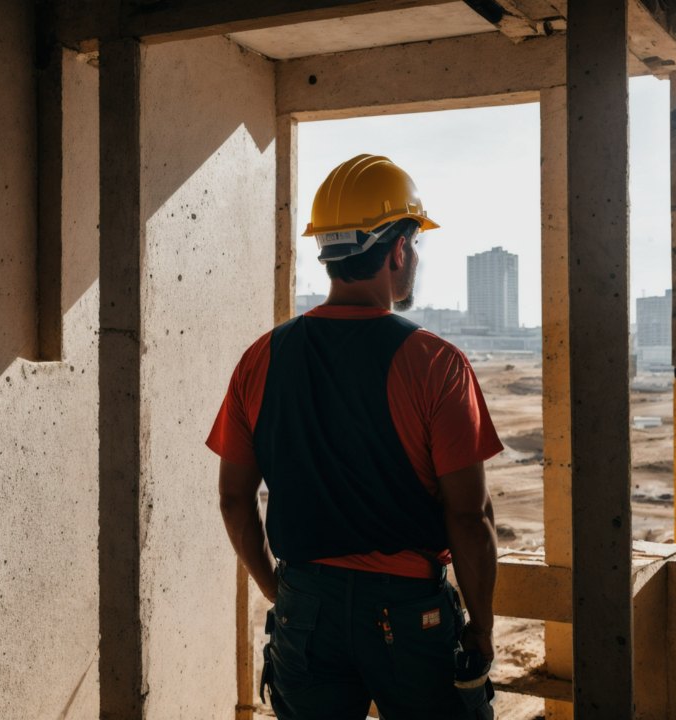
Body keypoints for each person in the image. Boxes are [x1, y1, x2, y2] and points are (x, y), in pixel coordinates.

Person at [207, 154, 501, 719]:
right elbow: (469, 517)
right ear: (396, 250)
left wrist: (281, 592)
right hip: (411, 619)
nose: (414, 257)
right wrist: (481, 629)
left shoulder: (260, 358)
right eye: (413, 244)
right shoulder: (436, 364)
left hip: (304, 611)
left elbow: (232, 498)